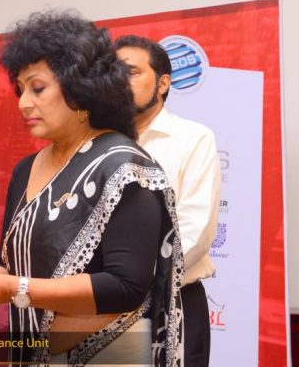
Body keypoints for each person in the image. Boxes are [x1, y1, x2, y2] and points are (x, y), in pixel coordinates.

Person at [0, 11, 185, 366]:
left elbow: (125, 287)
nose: (23, 103)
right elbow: (8, 267)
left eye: (37, 88)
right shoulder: (26, 170)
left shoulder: (124, 166)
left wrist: (13, 289)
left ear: (80, 88)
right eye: (20, 90)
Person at [115, 35, 221, 367]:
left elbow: (195, 231)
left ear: (162, 84)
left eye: (132, 72)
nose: (120, 81)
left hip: (172, 300)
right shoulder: (97, 143)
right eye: (113, 72)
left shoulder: (193, 138)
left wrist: (127, 283)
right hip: (101, 307)